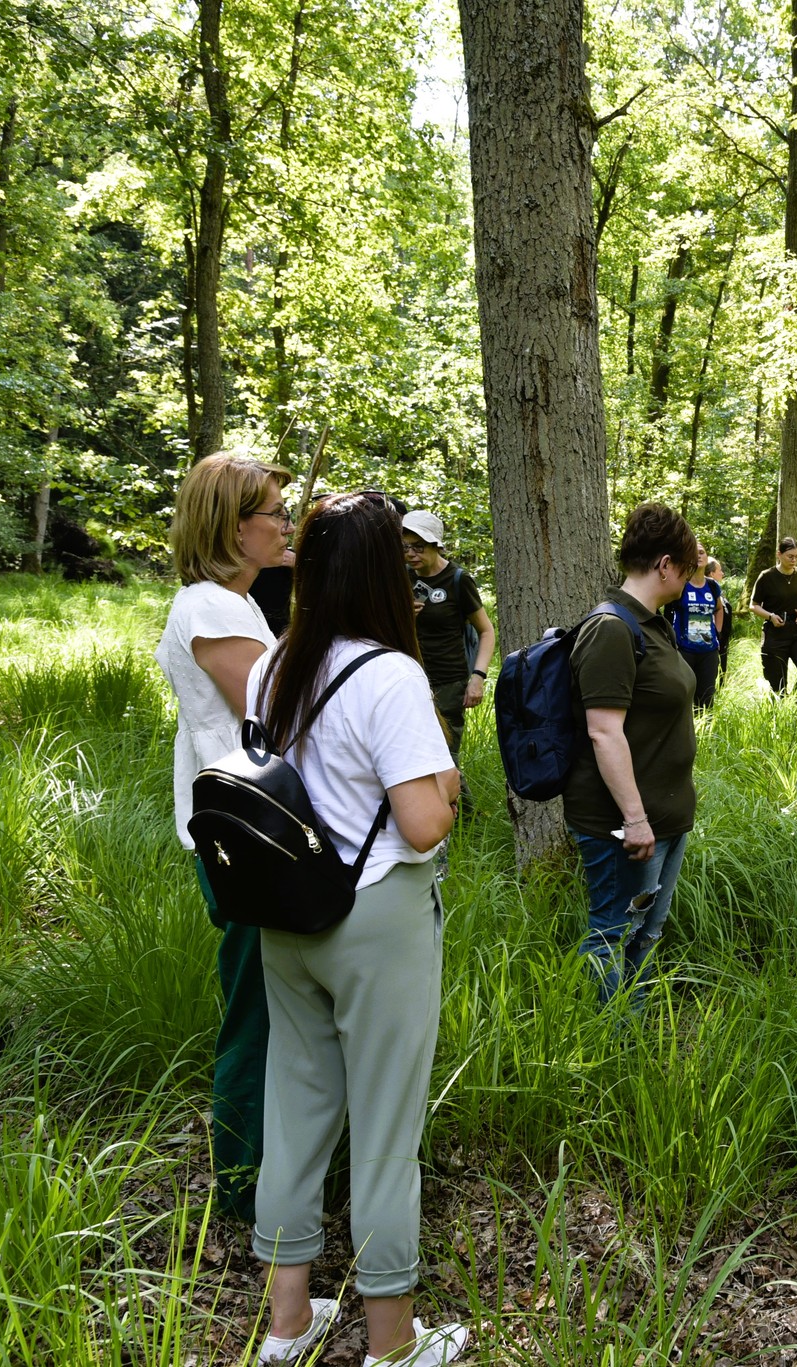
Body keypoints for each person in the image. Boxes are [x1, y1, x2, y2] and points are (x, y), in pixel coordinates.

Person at [245, 491, 465, 1367]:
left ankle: (287, 1328)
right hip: (376, 914)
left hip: (286, 908)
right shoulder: (388, 674)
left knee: (294, 1113)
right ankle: (392, 1344)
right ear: (384, 573)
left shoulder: (275, 662)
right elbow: (421, 822)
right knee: (385, 1131)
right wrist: (446, 786)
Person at [155, 454, 293, 1221]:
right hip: (242, 838)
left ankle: (278, 1170)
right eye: (273, 512)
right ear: (234, 526)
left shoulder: (235, 602)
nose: (284, 525)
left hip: (253, 829)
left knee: (275, 1001)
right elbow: (273, 718)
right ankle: (244, 1187)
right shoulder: (210, 607)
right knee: (256, 1010)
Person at [566, 504, 701, 1008]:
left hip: (664, 817)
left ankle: (634, 1033)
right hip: (625, 826)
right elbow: (603, 732)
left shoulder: (653, 624)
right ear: (665, 565)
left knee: (647, 929)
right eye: (687, 570)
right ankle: (608, 1039)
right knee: (613, 931)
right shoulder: (611, 628)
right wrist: (636, 818)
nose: (689, 581)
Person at [401, 510, 496, 791]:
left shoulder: (458, 579)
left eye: (418, 547)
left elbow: (487, 631)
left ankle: (464, 819)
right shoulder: (402, 577)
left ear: (436, 545)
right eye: (405, 547)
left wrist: (477, 678)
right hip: (409, 676)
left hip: (448, 682)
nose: (411, 554)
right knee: (414, 754)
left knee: (445, 758)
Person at [749, 537, 797, 695]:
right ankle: (781, 709)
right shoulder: (766, 576)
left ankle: (796, 702)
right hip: (775, 631)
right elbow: (753, 605)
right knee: (777, 683)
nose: (794, 560)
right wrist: (770, 616)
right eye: (790, 556)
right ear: (779, 554)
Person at [669, 543, 725, 708]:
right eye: (693, 553)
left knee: (706, 700)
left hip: (708, 651)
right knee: (684, 696)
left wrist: (718, 632)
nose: (698, 555)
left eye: (701, 552)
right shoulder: (681, 584)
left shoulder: (713, 586)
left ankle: (704, 732)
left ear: (707, 558)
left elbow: (719, 609)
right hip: (684, 650)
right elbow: (668, 613)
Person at [708, 556, 736, 684]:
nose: (722, 573)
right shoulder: (707, 596)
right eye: (719, 570)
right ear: (711, 573)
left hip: (723, 644)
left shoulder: (719, 595)